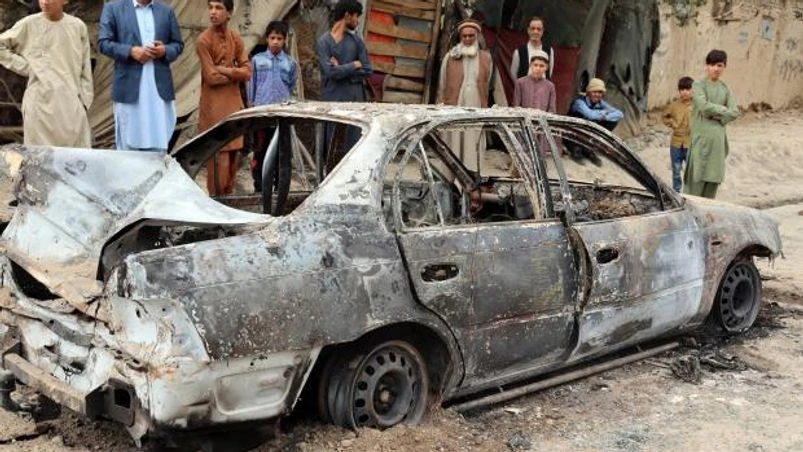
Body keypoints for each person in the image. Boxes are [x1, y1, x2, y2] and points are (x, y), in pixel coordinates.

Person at [0, 0, 93, 147]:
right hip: (39, 103)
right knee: (39, 156)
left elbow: (85, 67)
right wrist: (27, 68)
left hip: (71, 105)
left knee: (75, 155)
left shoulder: (77, 26)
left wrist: (85, 100)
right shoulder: (29, 24)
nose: (45, 2)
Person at [98, 0, 184, 153]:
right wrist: (131, 51)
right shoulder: (113, 9)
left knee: (158, 144)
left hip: (158, 91)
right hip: (129, 89)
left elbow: (178, 45)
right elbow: (104, 43)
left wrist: (164, 50)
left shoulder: (166, 11)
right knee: (129, 147)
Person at [196, 0, 251, 196]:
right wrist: (235, 73)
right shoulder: (203, 40)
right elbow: (211, 77)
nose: (213, 12)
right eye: (210, 7)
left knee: (234, 159)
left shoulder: (235, 38)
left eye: (218, 8)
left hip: (234, 107)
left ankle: (228, 203)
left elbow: (247, 72)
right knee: (219, 159)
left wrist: (225, 70)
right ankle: (215, 205)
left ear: (229, 13)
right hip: (214, 109)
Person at [437, 19, 506, 172]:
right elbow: (442, 86)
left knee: (472, 144)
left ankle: (471, 176)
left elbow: (496, 87)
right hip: (454, 109)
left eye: (471, 36)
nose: (467, 39)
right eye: (465, 36)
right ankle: (451, 177)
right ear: (460, 37)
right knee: (453, 144)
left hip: (476, 109)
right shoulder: (450, 57)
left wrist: (503, 110)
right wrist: (439, 110)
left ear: (477, 37)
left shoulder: (487, 59)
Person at [247, 20, 297, 210]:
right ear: (267, 39)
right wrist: (252, 110)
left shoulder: (290, 63)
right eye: (272, 38)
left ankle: (277, 191)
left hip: (281, 117)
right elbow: (251, 87)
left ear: (284, 41)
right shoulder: (257, 60)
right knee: (260, 153)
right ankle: (259, 189)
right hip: (261, 116)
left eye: (279, 38)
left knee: (280, 156)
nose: (276, 41)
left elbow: (291, 86)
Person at [317, 0, 372, 155]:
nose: (357, 21)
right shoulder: (324, 42)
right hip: (332, 99)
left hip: (354, 100)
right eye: (356, 16)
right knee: (331, 144)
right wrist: (353, 65)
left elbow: (368, 69)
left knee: (353, 144)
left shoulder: (357, 42)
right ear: (347, 15)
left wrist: (340, 68)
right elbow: (330, 72)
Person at [683, 50, 739, 199]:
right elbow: (703, 107)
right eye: (712, 65)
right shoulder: (698, 85)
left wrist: (715, 115)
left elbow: (734, 112)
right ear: (707, 66)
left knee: (711, 188)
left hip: (718, 143)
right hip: (701, 140)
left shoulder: (725, 89)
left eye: (720, 65)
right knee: (694, 186)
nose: (716, 69)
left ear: (724, 67)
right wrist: (723, 110)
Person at [567, 78, 623, 165]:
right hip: (572, 133)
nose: (597, 95)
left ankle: (588, 148)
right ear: (589, 92)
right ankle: (575, 149)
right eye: (594, 92)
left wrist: (605, 117)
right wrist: (603, 113)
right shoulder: (579, 102)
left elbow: (620, 114)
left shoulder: (601, 103)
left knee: (612, 121)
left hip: (587, 132)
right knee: (589, 119)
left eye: (600, 92)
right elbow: (591, 115)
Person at [662, 76, 694, 192]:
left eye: (688, 89)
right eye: (682, 89)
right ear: (679, 91)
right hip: (676, 143)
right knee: (676, 169)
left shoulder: (697, 105)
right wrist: (673, 124)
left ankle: (689, 192)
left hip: (690, 143)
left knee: (691, 170)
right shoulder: (674, 105)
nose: (685, 92)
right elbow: (665, 117)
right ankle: (676, 191)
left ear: (692, 90)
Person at [510, 16, 554, 81]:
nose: (535, 32)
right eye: (533, 28)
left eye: (539, 29)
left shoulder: (549, 50)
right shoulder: (519, 52)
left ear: (542, 31)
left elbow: (549, 73)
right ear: (528, 30)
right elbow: (513, 74)